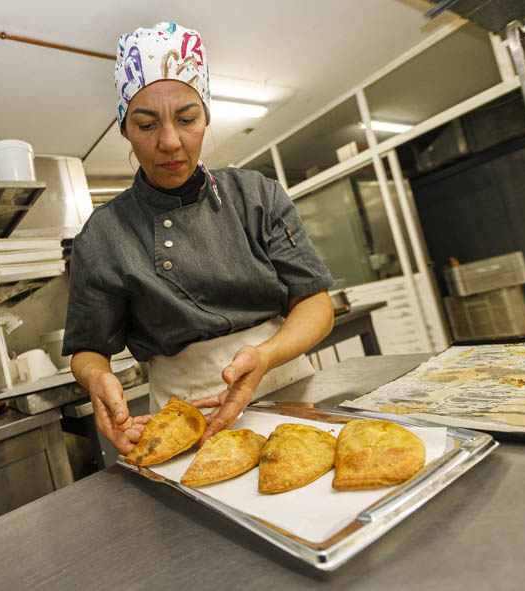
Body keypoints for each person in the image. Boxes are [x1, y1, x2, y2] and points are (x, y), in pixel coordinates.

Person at [62, 22, 335, 455]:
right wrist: (97, 377)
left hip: (286, 382)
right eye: (147, 124)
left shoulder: (255, 195)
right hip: (181, 415)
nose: (170, 142)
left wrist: (264, 356)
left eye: (187, 119)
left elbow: (315, 303)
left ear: (206, 116)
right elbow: (88, 349)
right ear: (124, 129)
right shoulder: (104, 235)